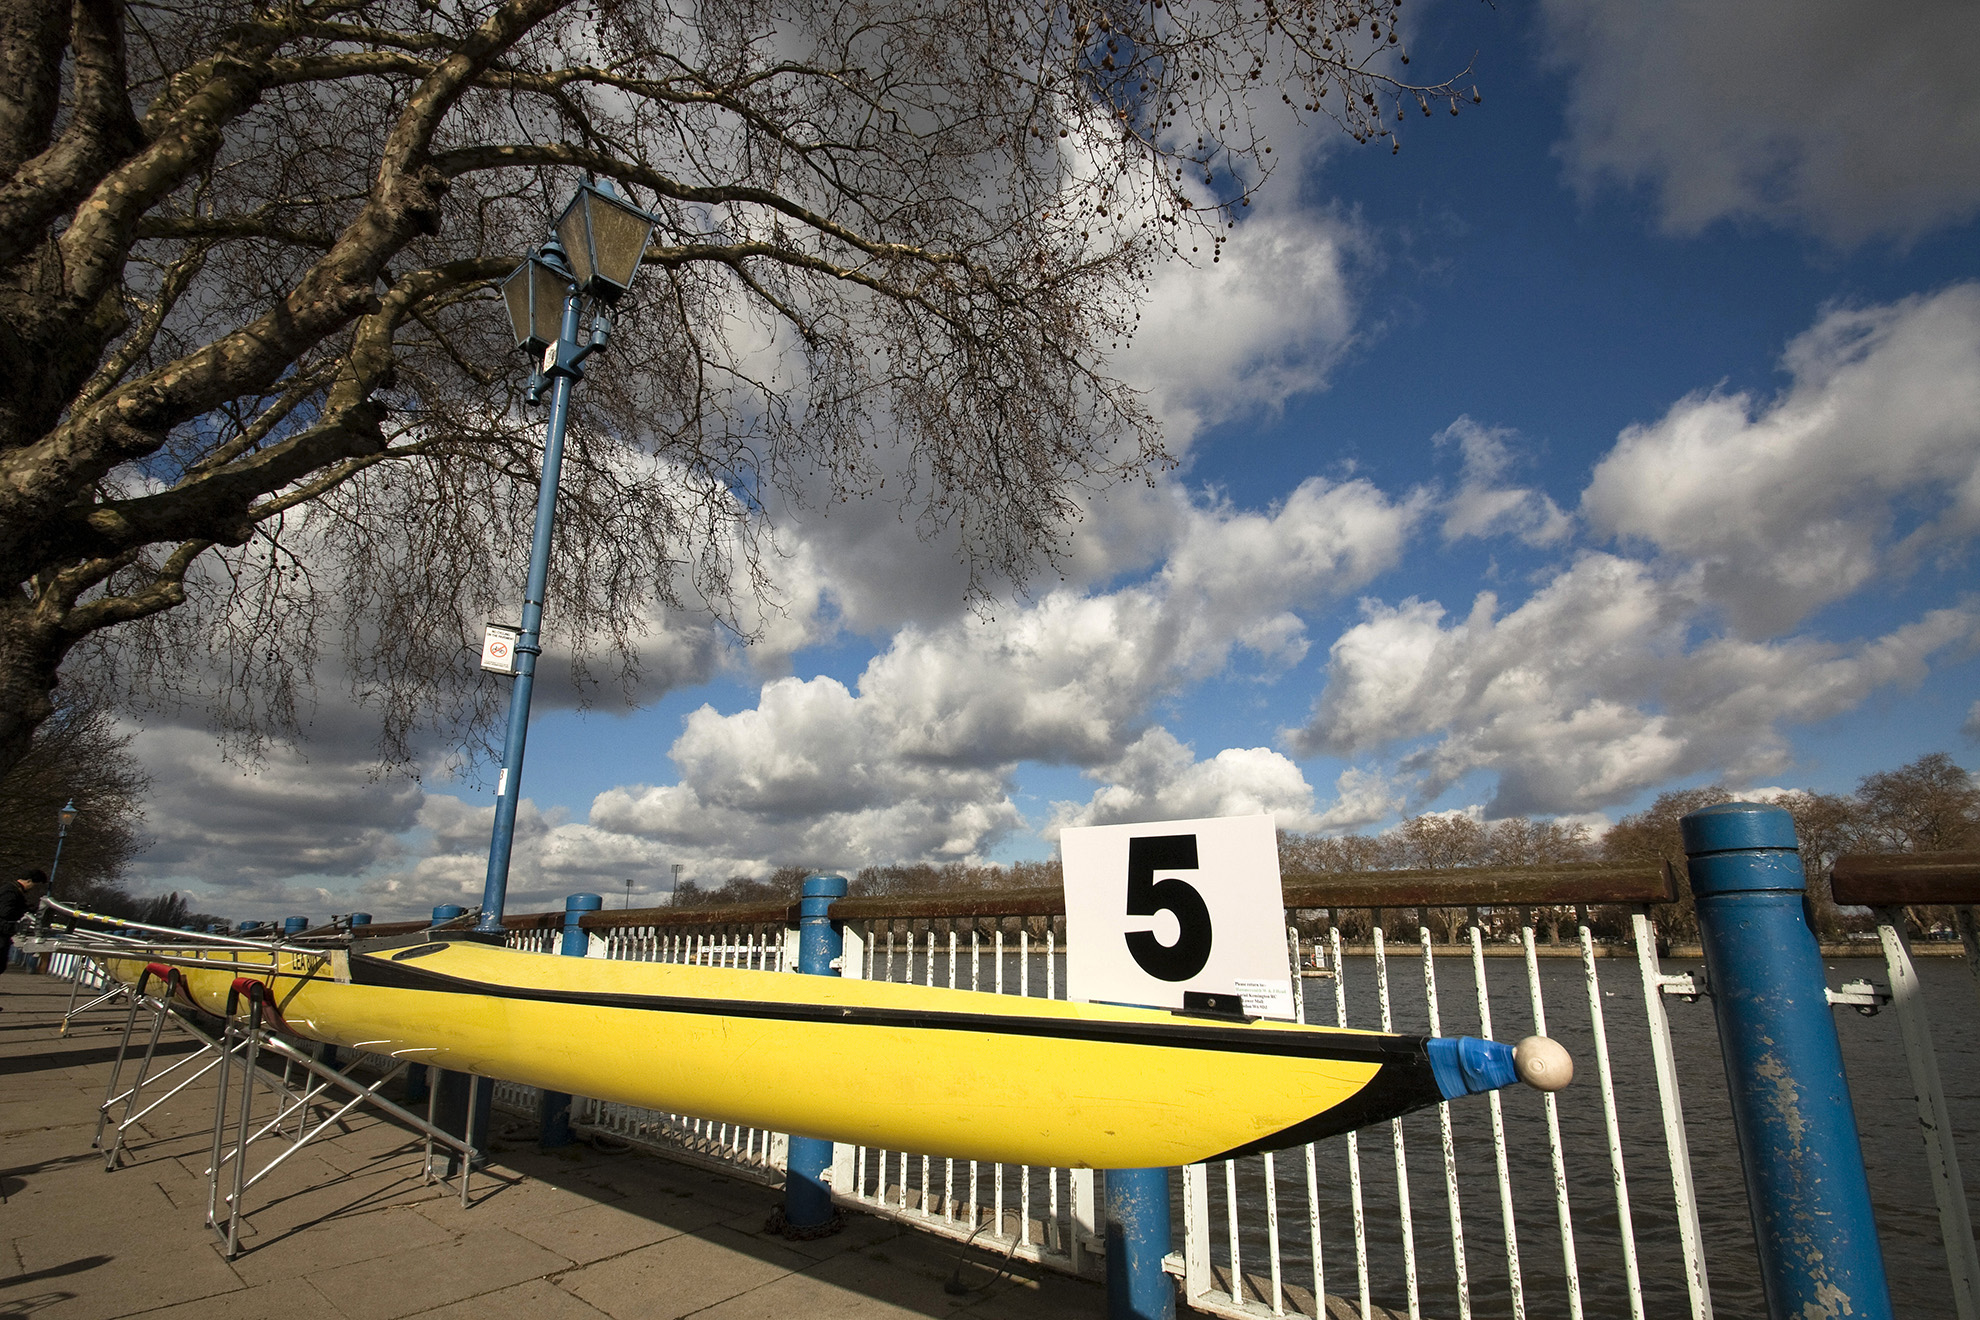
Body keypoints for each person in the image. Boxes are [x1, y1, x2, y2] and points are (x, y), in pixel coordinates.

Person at [0, 868, 50, 995]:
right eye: (34, 884)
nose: (33, 888)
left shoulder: (11, 889)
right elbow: (6, 911)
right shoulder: (11, 892)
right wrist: (24, 911)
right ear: (29, 881)